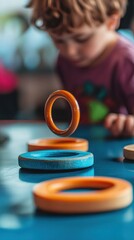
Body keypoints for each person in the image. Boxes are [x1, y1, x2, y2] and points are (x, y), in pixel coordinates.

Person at [28, 0, 134, 137]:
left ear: (111, 21)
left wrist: (129, 124)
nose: (70, 51)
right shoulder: (63, 61)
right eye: (59, 40)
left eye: (82, 39)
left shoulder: (126, 61)